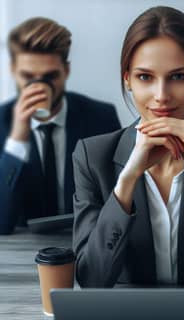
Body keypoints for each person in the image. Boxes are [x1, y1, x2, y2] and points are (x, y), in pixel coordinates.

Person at [73, 6, 184, 288]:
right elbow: (92, 280)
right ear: (127, 79)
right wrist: (129, 176)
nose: (161, 96)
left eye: (178, 76)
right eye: (145, 77)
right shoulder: (92, 157)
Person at [0, 17, 121, 234]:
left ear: (66, 71)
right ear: (12, 71)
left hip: (83, 242)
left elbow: (117, 204)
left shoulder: (100, 118)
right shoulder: (2, 122)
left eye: (50, 76)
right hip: (18, 250)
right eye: (27, 76)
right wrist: (17, 139)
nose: (38, 86)